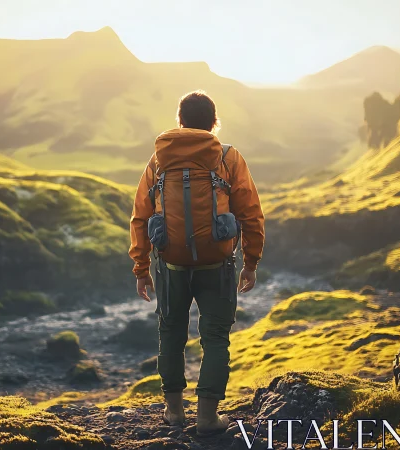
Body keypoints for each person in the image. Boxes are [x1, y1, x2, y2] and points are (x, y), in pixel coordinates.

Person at [128, 90, 265, 436]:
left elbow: (140, 216)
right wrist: (250, 263)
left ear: (180, 122)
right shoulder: (228, 157)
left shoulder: (158, 160)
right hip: (217, 264)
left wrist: (141, 268)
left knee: (171, 333)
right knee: (215, 337)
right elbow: (251, 213)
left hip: (170, 264)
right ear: (214, 123)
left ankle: (174, 413)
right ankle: (206, 418)